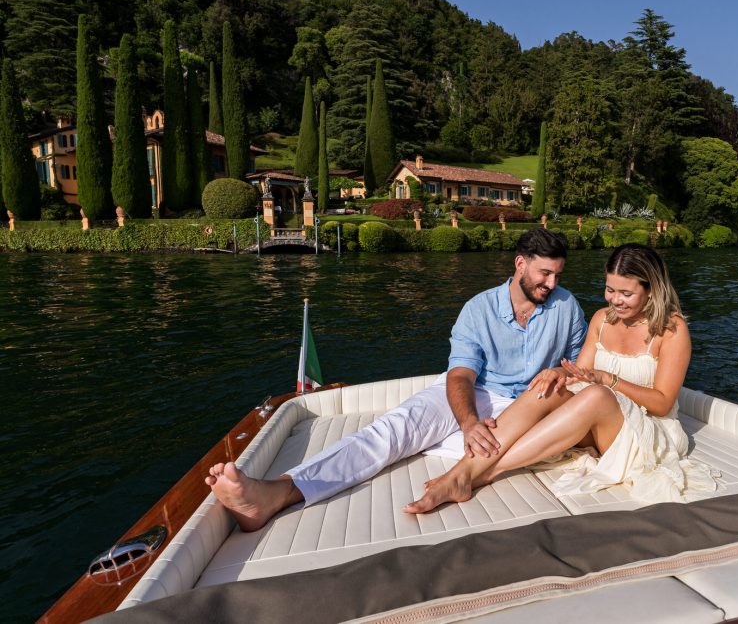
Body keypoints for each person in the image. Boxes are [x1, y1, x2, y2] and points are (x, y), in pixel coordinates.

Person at [205, 227, 587, 531]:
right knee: (391, 430)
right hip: (474, 392)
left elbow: (579, 362)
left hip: (531, 403)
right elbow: (461, 374)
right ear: (521, 264)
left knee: (484, 447)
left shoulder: (566, 306)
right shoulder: (479, 309)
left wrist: (559, 371)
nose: (552, 284)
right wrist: (469, 423)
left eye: (557, 275)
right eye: (545, 273)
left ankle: (464, 460)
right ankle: (278, 492)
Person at [405, 243, 721, 514]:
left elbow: (663, 404)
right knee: (549, 388)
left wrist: (607, 379)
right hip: (602, 424)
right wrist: (556, 373)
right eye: (610, 289)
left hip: (649, 431)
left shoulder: (672, 330)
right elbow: (578, 374)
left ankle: (482, 473)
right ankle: (464, 470)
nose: (615, 300)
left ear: (651, 291)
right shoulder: (602, 319)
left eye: (626, 293)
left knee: (597, 395)